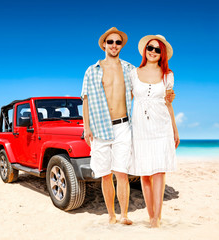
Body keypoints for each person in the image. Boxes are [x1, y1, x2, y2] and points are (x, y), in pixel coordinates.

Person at [81, 27, 135, 225]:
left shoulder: (130, 69)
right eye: (110, 42)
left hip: (123, 126)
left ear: (121, 45)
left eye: (118, 42)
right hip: (99, 127)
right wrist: (86, 128)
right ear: (104, 44)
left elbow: (145, 86)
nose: (114, 45)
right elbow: (85, 100)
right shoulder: (91, 70)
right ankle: (111, 216)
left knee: (122, 172)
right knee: (105, 174)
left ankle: (124, 215)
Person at [128, 35, 180, 228]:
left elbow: (168, 104)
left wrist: (175, 130)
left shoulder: (168, 75)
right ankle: (150, 215)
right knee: (144, 173)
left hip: (161, 127)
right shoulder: (134, 73)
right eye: (150, 47)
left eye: (158, 49)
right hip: (140, 127)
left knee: (159, 172)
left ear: (162, 54)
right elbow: (126, 100)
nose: (153, 51)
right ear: (145, 50)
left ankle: (156, 218)